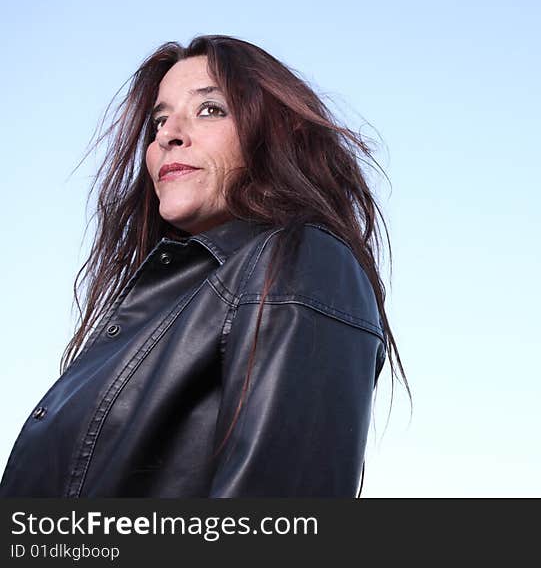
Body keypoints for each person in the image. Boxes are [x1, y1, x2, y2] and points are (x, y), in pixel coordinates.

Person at [0, 35, 408, 497]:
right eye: (159, 121)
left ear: (278, 134)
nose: (168, 135)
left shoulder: (301, 262)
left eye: (210, 109)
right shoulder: (165, 299)